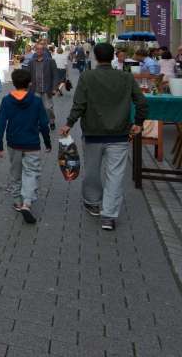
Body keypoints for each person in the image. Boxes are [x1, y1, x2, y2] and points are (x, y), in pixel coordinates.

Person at [60, 43, 147, 231]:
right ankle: (109, 216)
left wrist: (69, 123)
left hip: (93, 133)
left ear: (96, 58)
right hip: (119, 134)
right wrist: (138, 123)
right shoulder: (126, 77)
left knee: (92, 171)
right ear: (114, 55)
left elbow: (79, 104)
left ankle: (92, 201)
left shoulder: (87, 77)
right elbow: (141, 102)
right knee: (115, 175)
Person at [0, 69, 52, 224]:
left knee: (15, 172)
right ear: (30, 84)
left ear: (13, 83)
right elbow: (43, 124)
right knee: (31, 172)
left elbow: (1, 123)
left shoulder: (7, 100)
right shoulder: (36, 101)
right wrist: (47, 142)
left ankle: (17, 201)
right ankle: (27, 202)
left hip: (14, 143)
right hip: (32, 144)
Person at [21, 40, 63, 129]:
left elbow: (55, 75)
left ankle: (51, 120)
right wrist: (28, 83)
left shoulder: (50, 61)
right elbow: (28, 75)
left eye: (41, 49)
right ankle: (40, 124)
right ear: (35, 50)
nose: (39, 51)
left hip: (47, 88)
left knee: (48, 108)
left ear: (43, 50)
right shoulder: (31, 62)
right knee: (37, 108)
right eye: (37, 49)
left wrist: (55, 88)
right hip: (35, 89)